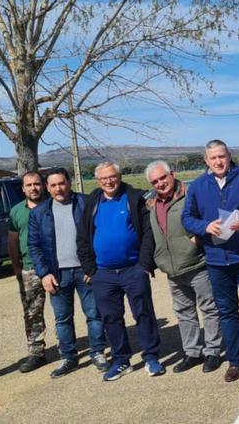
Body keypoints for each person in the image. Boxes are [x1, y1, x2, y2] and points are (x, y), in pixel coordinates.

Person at [181, 140, 239, 383]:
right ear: (206, 161)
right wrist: (204, 226)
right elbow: (187, 218)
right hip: (216, 261)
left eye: (222, 156)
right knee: (227, 312)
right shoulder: (198, 186)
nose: (218, 162)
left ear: (229, 156)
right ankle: (236, 361)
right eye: (213, 158)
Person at [78, 161, 164, 381]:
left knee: (143, 313)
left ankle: (151, 358)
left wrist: (145, 265)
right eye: (103, 178)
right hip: (103, 274)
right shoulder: (92, 202)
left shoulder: (134, 198)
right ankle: (121, 360)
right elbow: (83, 238)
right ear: (98, 181)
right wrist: (90, 269)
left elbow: (147, 234)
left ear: (120, 176)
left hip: (133, 269)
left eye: (112, 176)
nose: (109, 181)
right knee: (111, 318)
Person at [145, 160, 223, 374]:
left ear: (173, 174)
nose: (161, 183)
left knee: (209, 308)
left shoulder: (191, 195)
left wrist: (197, 239)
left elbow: (209, 219)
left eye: (163, 177)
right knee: (184, 312)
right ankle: (192, 352)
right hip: (172, 268)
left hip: (197, 263)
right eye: (155, 181)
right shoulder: (152, 204)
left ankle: (212, 351)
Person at [29, 167, 108, 379]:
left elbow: (99, 234)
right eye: (53, 185)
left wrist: (93, 266)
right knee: (62, 319)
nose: (58, 188)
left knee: (94, 314)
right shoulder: (39, 213)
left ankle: (98, 352)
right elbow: (34, 246)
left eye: (61, 183)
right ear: (47, 187)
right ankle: (69, 358)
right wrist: (44, 274)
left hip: (85, 271)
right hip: (56, 275)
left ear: (69, 182)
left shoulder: (85, 203)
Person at [8, 171, 49, 373]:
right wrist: (17, 268)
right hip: (29, 269)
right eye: (29, 185)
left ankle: (69, 348)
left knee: (64, 312)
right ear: (23, 188)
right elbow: (13, 241)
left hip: (56, 267)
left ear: (44, 185)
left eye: (37, 184)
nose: (33, 188)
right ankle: (36, 353)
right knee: (32, 313)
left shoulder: (54, 205)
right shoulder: (16, 211)